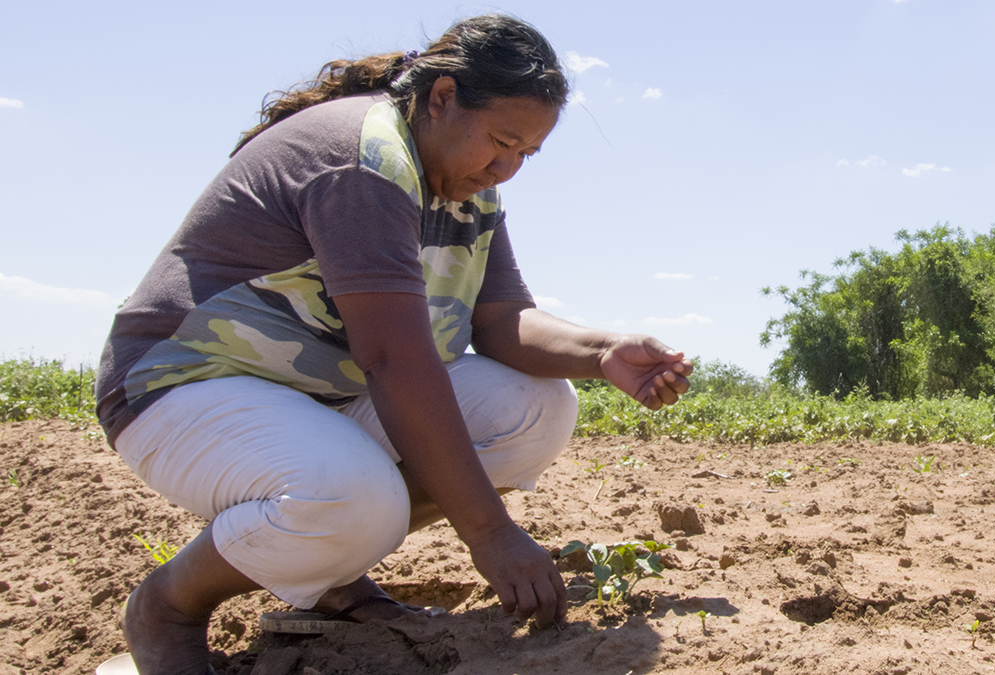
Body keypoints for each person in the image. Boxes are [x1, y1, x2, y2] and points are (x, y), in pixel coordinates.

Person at [94, 14, 692, 675]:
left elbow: (500, 321)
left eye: (526, 153)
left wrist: (602, 352)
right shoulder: (365, 160)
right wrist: (489, 532)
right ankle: (169, 605)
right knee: (355, 500)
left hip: (316, 398)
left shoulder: (470, 192)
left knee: (538, 408)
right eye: (500, 141)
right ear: (441, 98)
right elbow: (393, 358)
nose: (507, 167)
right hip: (180, 389)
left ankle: (330, 577)